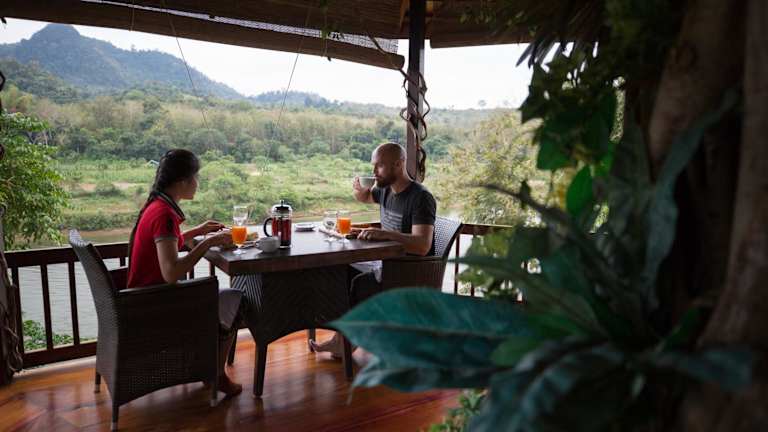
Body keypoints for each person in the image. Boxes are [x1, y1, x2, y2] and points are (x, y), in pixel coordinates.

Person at [126, 149, 243, 397]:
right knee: (235, 300)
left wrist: (198, 231)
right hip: (154, 305)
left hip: (139, 299)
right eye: (195, 177)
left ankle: (207, 368)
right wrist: (208, 242)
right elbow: (171, 273)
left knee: (224, 299)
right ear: (182, 181)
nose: (197, 183)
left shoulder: (156, 206)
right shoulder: (164, 215)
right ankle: (216, 374)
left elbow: (168, 245)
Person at [310, 142, 437, 356]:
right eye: (373, 166)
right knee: (341, 270)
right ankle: (343, 339)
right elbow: (365, 197)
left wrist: (386, 234)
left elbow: (422, 245)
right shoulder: (385, 190)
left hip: (407, 271)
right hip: (386, 262)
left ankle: (347, 342)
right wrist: (359, 191)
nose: (374, 171)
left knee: (359, 282)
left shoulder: (421, 197)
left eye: (379, 166)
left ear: (398, 164)